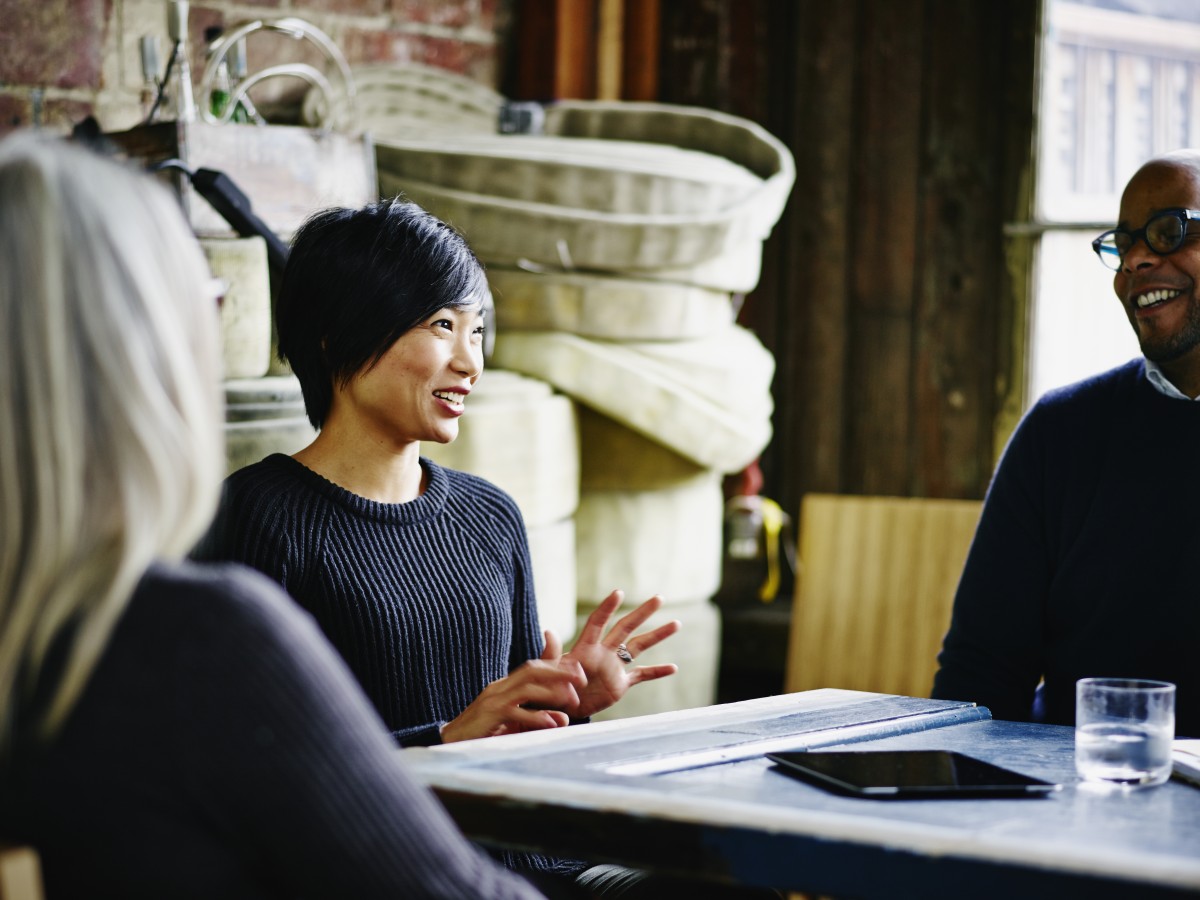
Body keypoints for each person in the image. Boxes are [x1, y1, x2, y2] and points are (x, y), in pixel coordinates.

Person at [0, 131, 549, 899]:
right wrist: (449, 740)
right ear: (138, 354)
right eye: (202, 302)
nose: (470, 359)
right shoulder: (201, 633)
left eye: (477, 329)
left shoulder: (54, 637)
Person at [932, 148, 1200, 737]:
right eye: (1124, 243)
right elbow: (981, 678)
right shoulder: (1061, 431)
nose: (1133, 260)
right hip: (1080, 804)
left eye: (1167, 231)